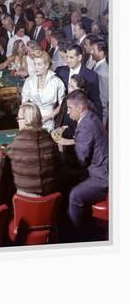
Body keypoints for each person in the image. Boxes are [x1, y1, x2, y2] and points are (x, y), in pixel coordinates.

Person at [60, 90, 108, 231]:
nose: (68, 112)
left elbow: (80, 161)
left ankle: (77, 235)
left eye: (69, 108)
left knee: (74, 194)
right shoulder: (92, 116)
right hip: (101, 168)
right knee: (65, 178)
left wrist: (61, 156)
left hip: (102, 177)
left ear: (80, 108)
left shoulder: (85, 125)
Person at [8, 102, 60, 196]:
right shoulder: (49, 140)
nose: (17, 121)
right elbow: (58, 166)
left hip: (25, 198)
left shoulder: (15, 145)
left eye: (19, 118)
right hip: (51, 194)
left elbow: (7, 175)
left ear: (26, 120)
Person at [21, 50, 65, 132]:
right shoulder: (29, 81)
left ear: (47, 65)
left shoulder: (57, 82)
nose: (36, 67)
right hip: (31, 122)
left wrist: (50, 116)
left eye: (39, 64)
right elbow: (24, 104)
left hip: (49, 123)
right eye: (35, 64)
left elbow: (62, 104)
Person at [55, 44, 102, 118]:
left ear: (79, 57)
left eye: (71, 57)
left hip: (81, 117)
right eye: (67, 57)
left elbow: (96, 102)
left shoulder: (91, 76)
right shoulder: (60, 71)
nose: (68, 60)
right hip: (62, 117)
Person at [91, 40, 109, 127]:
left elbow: (103, 102)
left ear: (101, 52)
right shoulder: (96, 65)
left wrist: (102, 124)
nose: (91, 52)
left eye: (93, 50)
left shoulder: (103, 72)